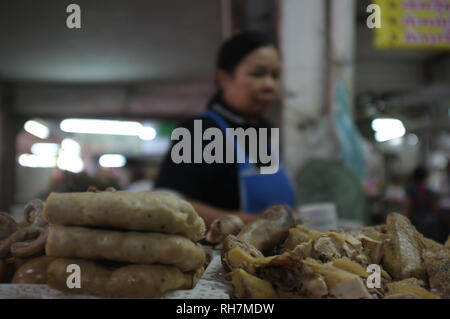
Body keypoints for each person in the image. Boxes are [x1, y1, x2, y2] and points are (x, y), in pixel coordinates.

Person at [154, 31, 295, 226]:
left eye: (275, 75)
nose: (270, 85)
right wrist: (253, 223)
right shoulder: (200, 131)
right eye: (258, 74)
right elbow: (168, 200)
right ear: (223, 79)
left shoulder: (263, 131)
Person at [404, 166, 441, 241]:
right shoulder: (429, 189)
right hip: (429, 223)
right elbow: (435, 208)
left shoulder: (411, 188)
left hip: (415, 223)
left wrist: (404, 222)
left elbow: (408, 207)